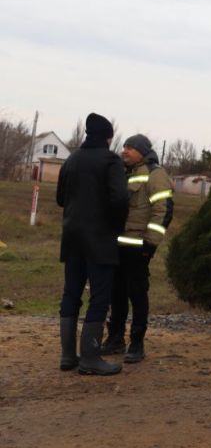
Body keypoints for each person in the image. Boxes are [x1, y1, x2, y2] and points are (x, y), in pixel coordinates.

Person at [56, 113, 129, 376]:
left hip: (72, 237)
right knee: (99, 296)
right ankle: (90, 357)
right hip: (100, 239)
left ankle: (67, 355)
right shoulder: (111, 161)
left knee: (71, 293)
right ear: (108, 137)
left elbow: (60, 199)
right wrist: (114, 225)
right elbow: (120, 199)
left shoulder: (72, 159)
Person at [100, 134, 174, 363]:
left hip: (138, 248)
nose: (125, 151)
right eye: (124, 147)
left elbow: (163, 211)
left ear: (142, 151)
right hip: (117, 246)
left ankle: (137, 343)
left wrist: (149, 245)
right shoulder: (124, 173)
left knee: (138, 295)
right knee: (117, 294)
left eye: (130, 148)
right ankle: (115, 339)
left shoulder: (155, 174)